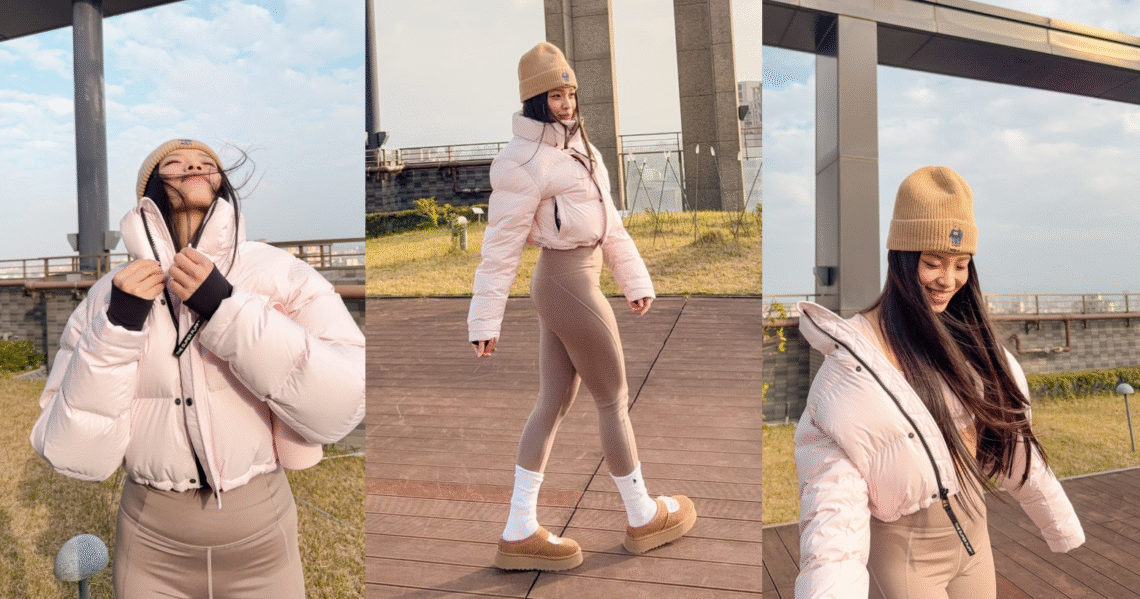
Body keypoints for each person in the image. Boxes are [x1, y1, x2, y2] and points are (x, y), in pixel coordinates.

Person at [30, 139, 365, 597]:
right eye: (175, 162)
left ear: (221, 183)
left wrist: (225, 307)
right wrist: (119, 324)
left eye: (207, 162)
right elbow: (72, 452)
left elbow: (343, 401)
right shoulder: (109, 295)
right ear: (150, 189)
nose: (193, 164)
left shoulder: (280, 272)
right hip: (149, 542)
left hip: (262, 534)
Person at [793, 166, 1085, 599]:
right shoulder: (850, 369)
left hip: (975, 536)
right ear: (900, 259)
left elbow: (1014, 442)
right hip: (908, 554)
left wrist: (1059, 524)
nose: (948, 280)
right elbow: (831, 502)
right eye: (932, 263)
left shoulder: (973, 343)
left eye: (961, 264)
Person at [468, 42, 696, 571]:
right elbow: (500, 244)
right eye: (555, 94)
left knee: (554, 402)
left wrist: (633, 278)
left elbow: (609, 223)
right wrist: (484, 319)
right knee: (612, 398)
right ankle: (642, 515)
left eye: (570, 92)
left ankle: (518, 528)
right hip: (565, 281)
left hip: (576, 278)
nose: (567, 103)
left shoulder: (582, 149)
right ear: (534, 100)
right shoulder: (524, 161)